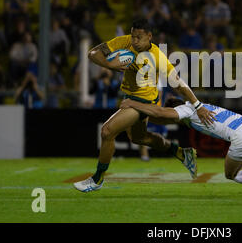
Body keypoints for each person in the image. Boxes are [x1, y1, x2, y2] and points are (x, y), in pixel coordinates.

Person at [73, 17, 215, 192]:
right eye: (133, 36)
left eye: (138, 37)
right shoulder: (124, 42)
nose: (134, 41)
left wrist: (198, 105)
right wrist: (110, 65)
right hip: (130, 97)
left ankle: (97, 179)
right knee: (139, 138)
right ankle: (180, 152)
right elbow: (93, 53)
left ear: (149, 36)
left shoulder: (157, 57)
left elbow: (178, 83)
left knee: (107, 131)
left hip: (144, 101)